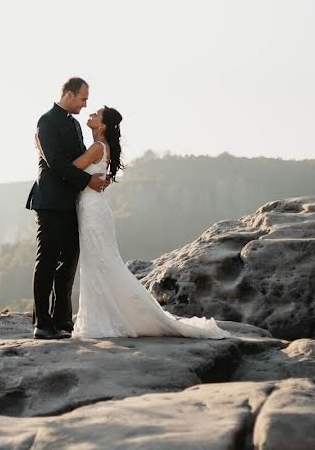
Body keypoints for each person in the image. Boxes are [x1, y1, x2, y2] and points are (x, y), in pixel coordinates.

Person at [71, 106, 230, 339]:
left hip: (93, 211)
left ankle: (103, 320)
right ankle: (103, 316)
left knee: (98, 263)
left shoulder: (97, 147)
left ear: (103, 125)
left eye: (96, 114)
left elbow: (72, 168)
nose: (91, 115)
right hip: (94, 207)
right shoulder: (102, 146)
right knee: (99, 263)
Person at [26, 77, 108, 340]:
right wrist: (89, 182)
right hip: (50, 201)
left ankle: (62, 321)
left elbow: (79, 160)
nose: (85, 105)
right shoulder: (47, 121)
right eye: (83, 99)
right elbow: (57, 164)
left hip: (73, 202)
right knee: (47, 261)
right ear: (70, 94)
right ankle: (42, 324)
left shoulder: (74, 124)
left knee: (69, 261)